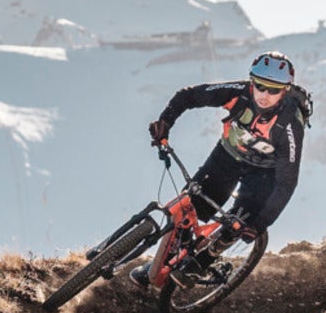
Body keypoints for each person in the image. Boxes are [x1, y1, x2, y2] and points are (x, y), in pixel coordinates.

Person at [130, 51, 310, 280]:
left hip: (265, 173)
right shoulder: (239, 93)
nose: (265, 94)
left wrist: (260, 224)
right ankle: (161, 264)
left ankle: (203, 262)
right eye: (260, 86)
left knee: (237, 224)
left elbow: (287, 182)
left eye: (274, 90)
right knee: (189, 208)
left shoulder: (290, 126)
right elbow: (188, 96)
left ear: (284, 91)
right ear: (252, 81)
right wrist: (165, 123)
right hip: (227, 157)